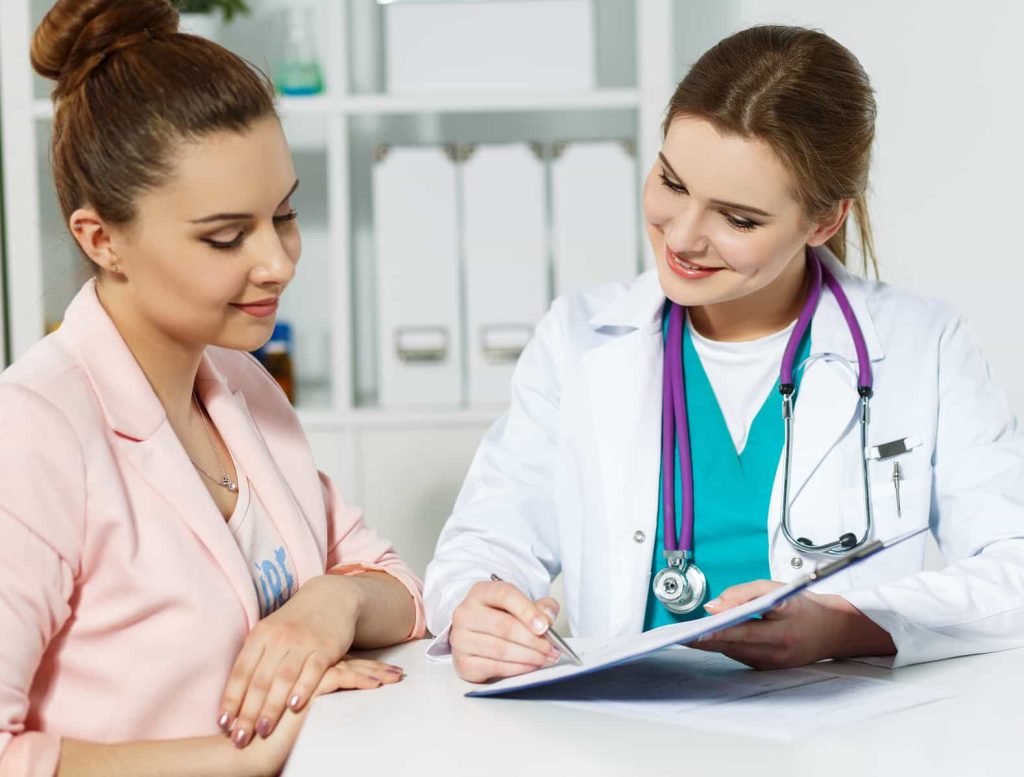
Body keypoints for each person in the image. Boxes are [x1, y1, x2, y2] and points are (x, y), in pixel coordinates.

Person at [423, 25, 1024, 683]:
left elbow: (1013, 568)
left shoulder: (924, 346)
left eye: (738, 219)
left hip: (840, 737)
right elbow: (485, 539)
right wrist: (474, 606)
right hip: (620, 734)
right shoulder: (578, 339)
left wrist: (847, 621)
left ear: (823, 221)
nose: (682, 236)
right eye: (672, 182)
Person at [0, 2, 425, 774]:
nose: (278, 261)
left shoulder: (241, 385)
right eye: (226, 236)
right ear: (101, 238)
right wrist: (257, 755)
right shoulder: (32, 433)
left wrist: (333, 603)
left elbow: (398, 587)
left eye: (285, 214)